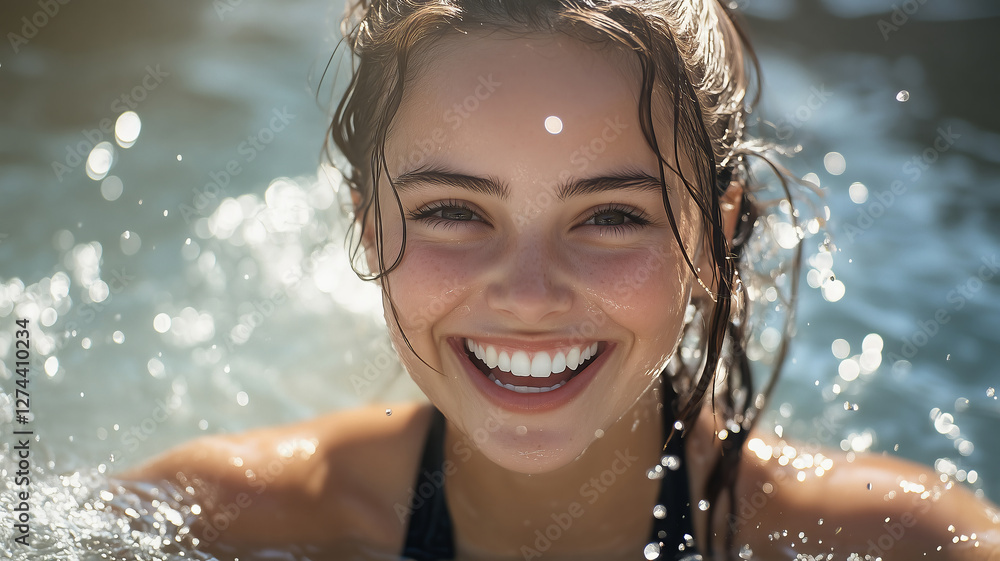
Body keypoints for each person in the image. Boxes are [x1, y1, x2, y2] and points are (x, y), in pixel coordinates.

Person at [115, 0, 1000, 559]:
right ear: (364, 224)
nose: (530, 294)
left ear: (714, 243)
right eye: (454, 212)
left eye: (612, 216)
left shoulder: (910, 542)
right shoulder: (209, 518)